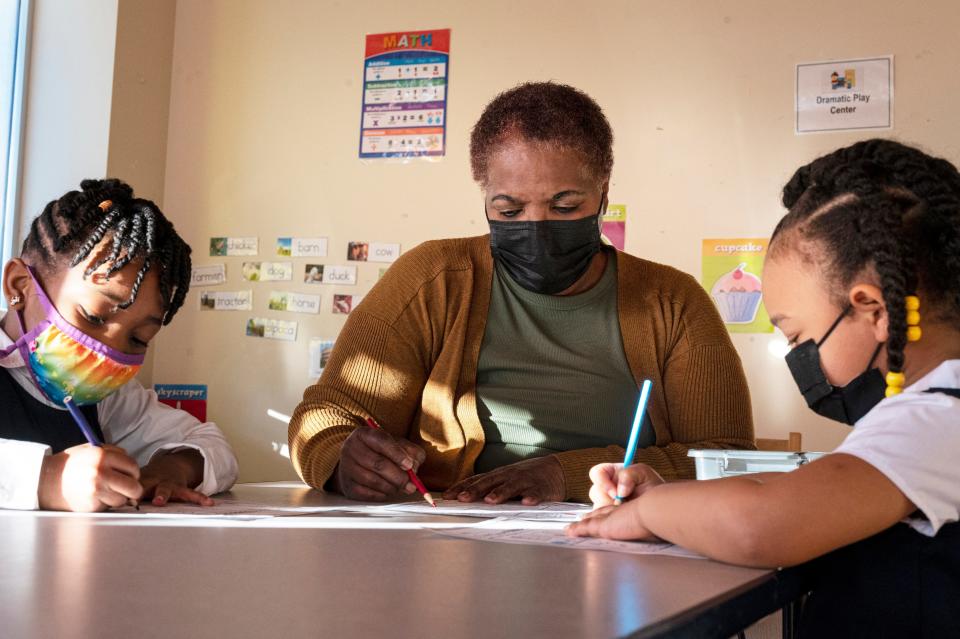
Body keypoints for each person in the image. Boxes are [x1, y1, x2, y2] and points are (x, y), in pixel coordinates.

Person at [289, 82, 753, 504]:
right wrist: (340, 462)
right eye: (509, 210)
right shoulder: (432, 279)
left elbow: (727, 459)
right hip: (449, 545)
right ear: (485, 199)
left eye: (565, 206)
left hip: (616, 541)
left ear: (603, 195)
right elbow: (323, 418)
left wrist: (563, 475)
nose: (537, 229)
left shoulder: (672, 302)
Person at [568, 139, 960, 635]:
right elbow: (806, 492)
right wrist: (675, 500)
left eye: (797, 335)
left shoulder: (936, 419)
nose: (794, 355)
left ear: (874, 311)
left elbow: (760, 525)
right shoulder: (934, 416)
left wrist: (649, 514)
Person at [0, 179, 238, 511]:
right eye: (93, 317)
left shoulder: (104, 397)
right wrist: (48, 478)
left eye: (138, 339)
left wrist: (172, 470)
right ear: (19, 285)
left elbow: (212, 446)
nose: (105, 352)